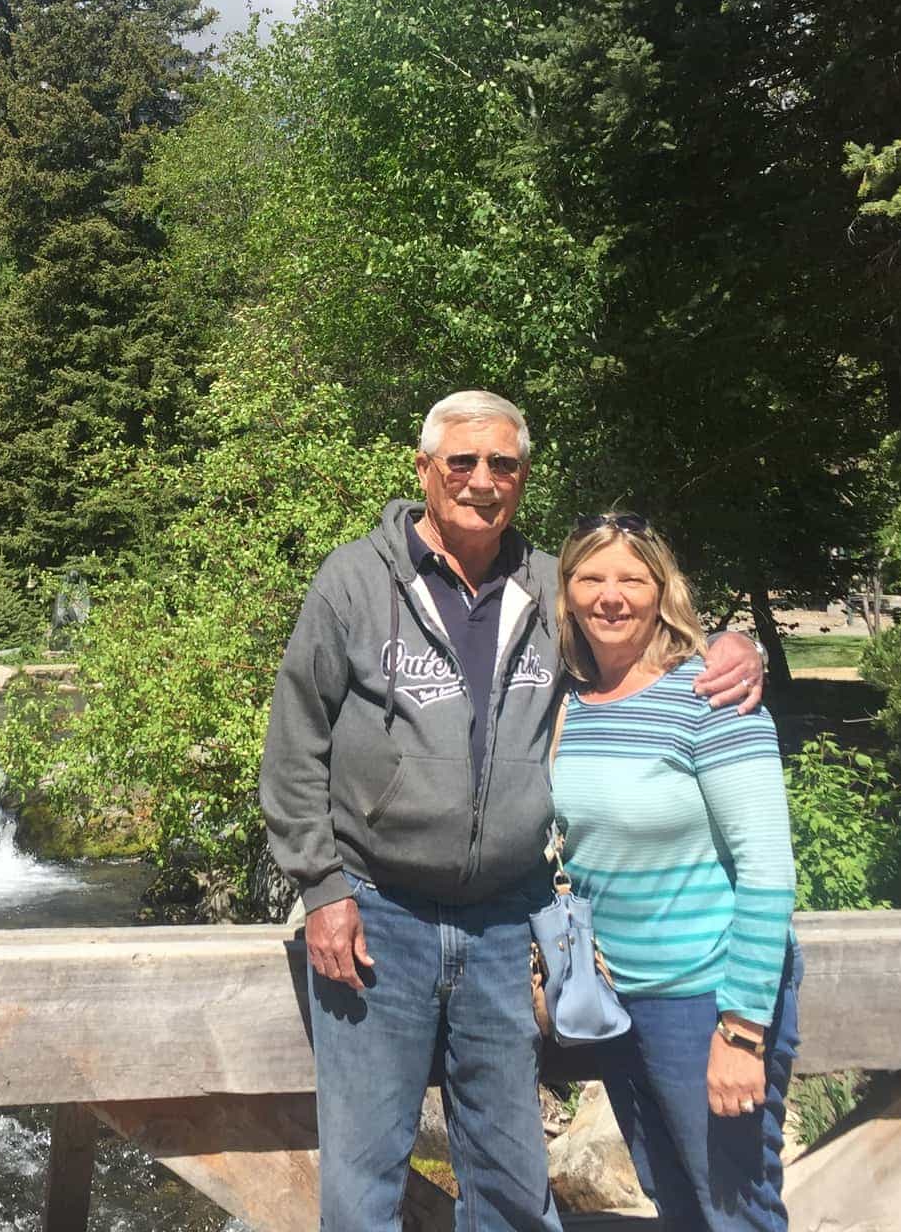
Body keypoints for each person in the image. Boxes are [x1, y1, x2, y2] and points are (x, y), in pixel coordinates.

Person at [259, 391, 766, 1232]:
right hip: (376, 918)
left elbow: (633, 627)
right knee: (362, 1177)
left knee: (509, 1178)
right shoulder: (353, 580)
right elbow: (294, 744)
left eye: (503, 464)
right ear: (425, 469)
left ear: (523, 477)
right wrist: (323, 888)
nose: (481, 480)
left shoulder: (546, 586)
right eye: (462, 461)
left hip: (507, 922)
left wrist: (726, 647)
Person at [551, 513, 799, 1232]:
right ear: (566, 593)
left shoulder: (712, 697)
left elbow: (767, 869)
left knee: (738, 1214)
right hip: (611, 1003)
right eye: (590, 578)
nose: (611, 596)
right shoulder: (569, 705)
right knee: (679, 1208)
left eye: (632, 579)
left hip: (704, 1004)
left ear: (663, 591)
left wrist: (743, 1031)